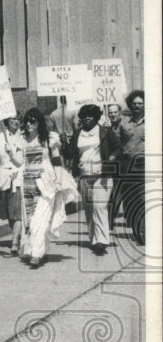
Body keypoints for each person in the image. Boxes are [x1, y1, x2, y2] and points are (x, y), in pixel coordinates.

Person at [66, 103, 122, 255]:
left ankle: (103, 240)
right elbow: (72, 152)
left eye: (90, 115)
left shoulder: (104, 131)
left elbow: (118, 148)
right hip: (84, 176)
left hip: (101, 175)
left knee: (99, 207)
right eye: (84, 116)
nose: (87, 118)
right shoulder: (78, 133)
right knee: (89, 209)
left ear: (96, 117)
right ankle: (93, 239)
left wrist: (111, 157)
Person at [18, 108, 67, 268]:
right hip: (27, 182)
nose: (29, 124)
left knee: (40, 219)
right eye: (27, 121)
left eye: (33, 121)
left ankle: (37, 254)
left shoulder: (49, 138)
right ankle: (39, 250)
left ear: (39, 122)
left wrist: (59, 180)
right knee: (30, 218)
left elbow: (57, 160)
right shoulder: (22, 139)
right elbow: (18, 162)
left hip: (46, 182)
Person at [0, 113, 26, 255]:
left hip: (17, 176)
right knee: (8, 212)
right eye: (13, 119)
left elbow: (22, 158)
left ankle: (14, 242)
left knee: (17, 212)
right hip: (4, 177)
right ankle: (17, 235)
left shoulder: (23, 137)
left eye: (18, 119)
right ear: (7, 121)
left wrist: (12, 152)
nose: (16, 122)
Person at [114, 89, 145, 246]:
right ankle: (136, 228)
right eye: (134, 103)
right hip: (127, 165)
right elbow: (115, 142)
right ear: (130, 105)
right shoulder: (124, 123)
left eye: (140, 103)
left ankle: (143, 232)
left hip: (145, 164)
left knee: (142, 198)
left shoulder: (154, 121)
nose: (137, 106)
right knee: (130, 200)